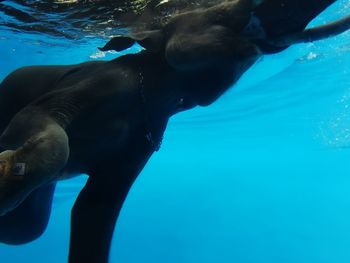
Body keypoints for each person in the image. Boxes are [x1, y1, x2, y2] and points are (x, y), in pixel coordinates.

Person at [0, 0, 348, 262]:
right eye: (224, 19)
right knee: (45, 157)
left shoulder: (149, 131)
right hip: (10, 111)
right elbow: (38, 117)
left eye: (255, 53)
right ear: (154, 38)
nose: (246, 46)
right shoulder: (118, 78)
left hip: (40, 173)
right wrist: (46, 154)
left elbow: (99, 206)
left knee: (25, 230)